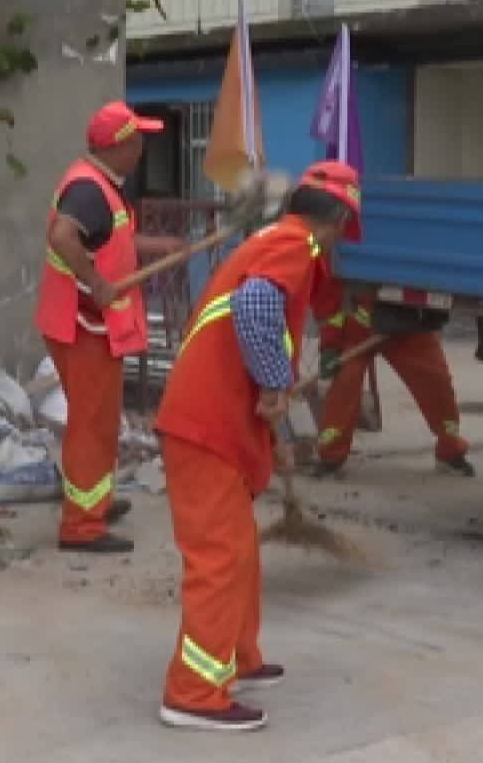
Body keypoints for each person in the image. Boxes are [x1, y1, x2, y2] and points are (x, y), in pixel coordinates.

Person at [153, 161, 362, 732]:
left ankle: (236, 659)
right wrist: (275, 384)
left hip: (216, 422)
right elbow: (256, 311)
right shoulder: (296, 246)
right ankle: (193, 693)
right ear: (338, 219)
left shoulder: (271, 240)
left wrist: (278, 433)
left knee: (238, 550)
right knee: (220, 558)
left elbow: (258, 334)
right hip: (206, 425)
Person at [36, 101, 186, 554]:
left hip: (81, 322)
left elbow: (109, 239)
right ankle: (81, 526)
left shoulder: (100, 184)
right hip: (84, 325)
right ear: (119, 146)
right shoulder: (88, 189)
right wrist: (97, 282)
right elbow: (63, 236)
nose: (142, 150)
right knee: (93, 425)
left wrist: (157, 246)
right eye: (137, 141)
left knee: (98, 422)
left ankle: (94, 502)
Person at [309, 284, 475, 479]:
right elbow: (328, 299)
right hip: (357, 328)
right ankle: (330, 458)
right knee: (343, 385)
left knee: (436, 385)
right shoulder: (334, 258)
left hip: (408, 325)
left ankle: (450, 452)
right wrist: (330, 346)